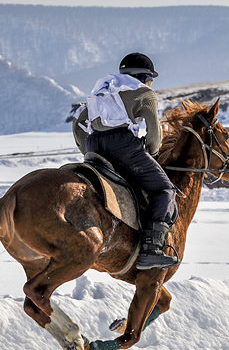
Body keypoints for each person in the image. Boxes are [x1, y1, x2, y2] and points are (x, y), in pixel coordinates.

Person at [72, 52, 179, 270]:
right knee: (164, 190)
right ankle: (151, 249)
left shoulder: (100, 91)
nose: (150, 84)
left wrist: (87, 150)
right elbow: (154, 133)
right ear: (143, 77)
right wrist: (150, 153)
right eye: (150, 79)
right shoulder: (144, 93)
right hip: (123, 147)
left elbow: (78, 122)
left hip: (94, 146)